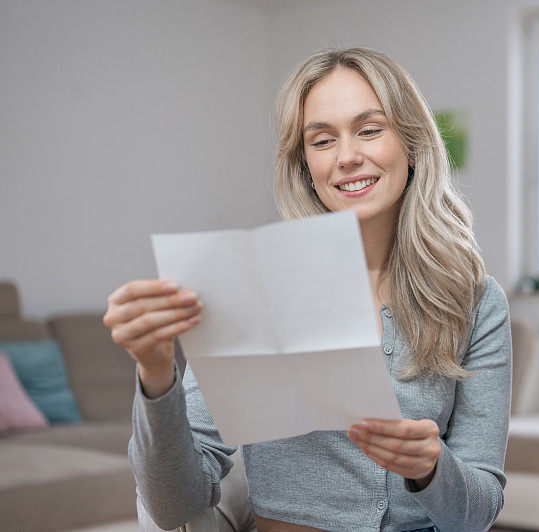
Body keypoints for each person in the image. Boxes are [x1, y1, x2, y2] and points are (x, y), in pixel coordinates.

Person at [103, 47, 512, 532]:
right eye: (321, 140)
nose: (347, 157)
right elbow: (172, 507)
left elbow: (478, 515)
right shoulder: (255, 291)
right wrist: (156, 374)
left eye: (369, 129)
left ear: (413, 144)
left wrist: (431, 469)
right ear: (305, 166)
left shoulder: (474, 301)